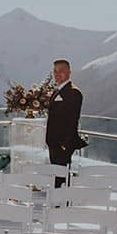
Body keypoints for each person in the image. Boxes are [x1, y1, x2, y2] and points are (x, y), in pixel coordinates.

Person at [45, 58, 84, 188]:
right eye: (55, 71)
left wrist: (64, 145)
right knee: (56, 177)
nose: (57, 74)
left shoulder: (74, 92)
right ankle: (56, 204)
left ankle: (62, 205)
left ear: (69, 72)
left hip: (63, 145)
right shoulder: (57, 91)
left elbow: (73, 120)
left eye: (61, 71)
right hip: (53, 143)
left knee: (62, 178)